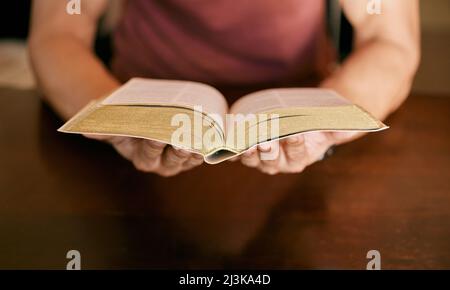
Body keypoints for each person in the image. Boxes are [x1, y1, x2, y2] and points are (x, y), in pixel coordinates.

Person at [29, 0, 420, 176]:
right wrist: (115, 118)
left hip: (301, 134)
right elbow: (58, 33)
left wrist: (327, 124)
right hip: (135, 138)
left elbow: (390, 39)